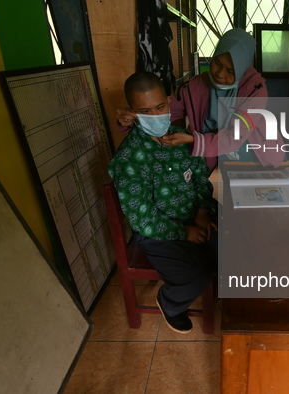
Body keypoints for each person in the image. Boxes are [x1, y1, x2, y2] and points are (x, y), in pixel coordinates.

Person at [108, 72, 218, 334]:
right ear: (132, 114)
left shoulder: (182, 138)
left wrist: (202, 213)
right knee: (195, 278)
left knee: (236, 247)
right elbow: (142, 217)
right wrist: (184, 232)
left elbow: (202, 180)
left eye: (160, 107)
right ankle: (170, 304)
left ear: (169, 102)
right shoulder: (130, 158)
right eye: (146, 111)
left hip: (194, 217)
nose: (157, 116)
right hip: (158, 233)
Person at [117, 28, 285, 172]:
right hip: (210, 153)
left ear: (242, 68)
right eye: (217, 63)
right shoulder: (195, 86)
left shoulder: (255, 91)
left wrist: (193, 140)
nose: (219, 74)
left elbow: (235, 138)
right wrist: (136, 118)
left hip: (249, 152)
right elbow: (164, 110)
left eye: (230, 70)